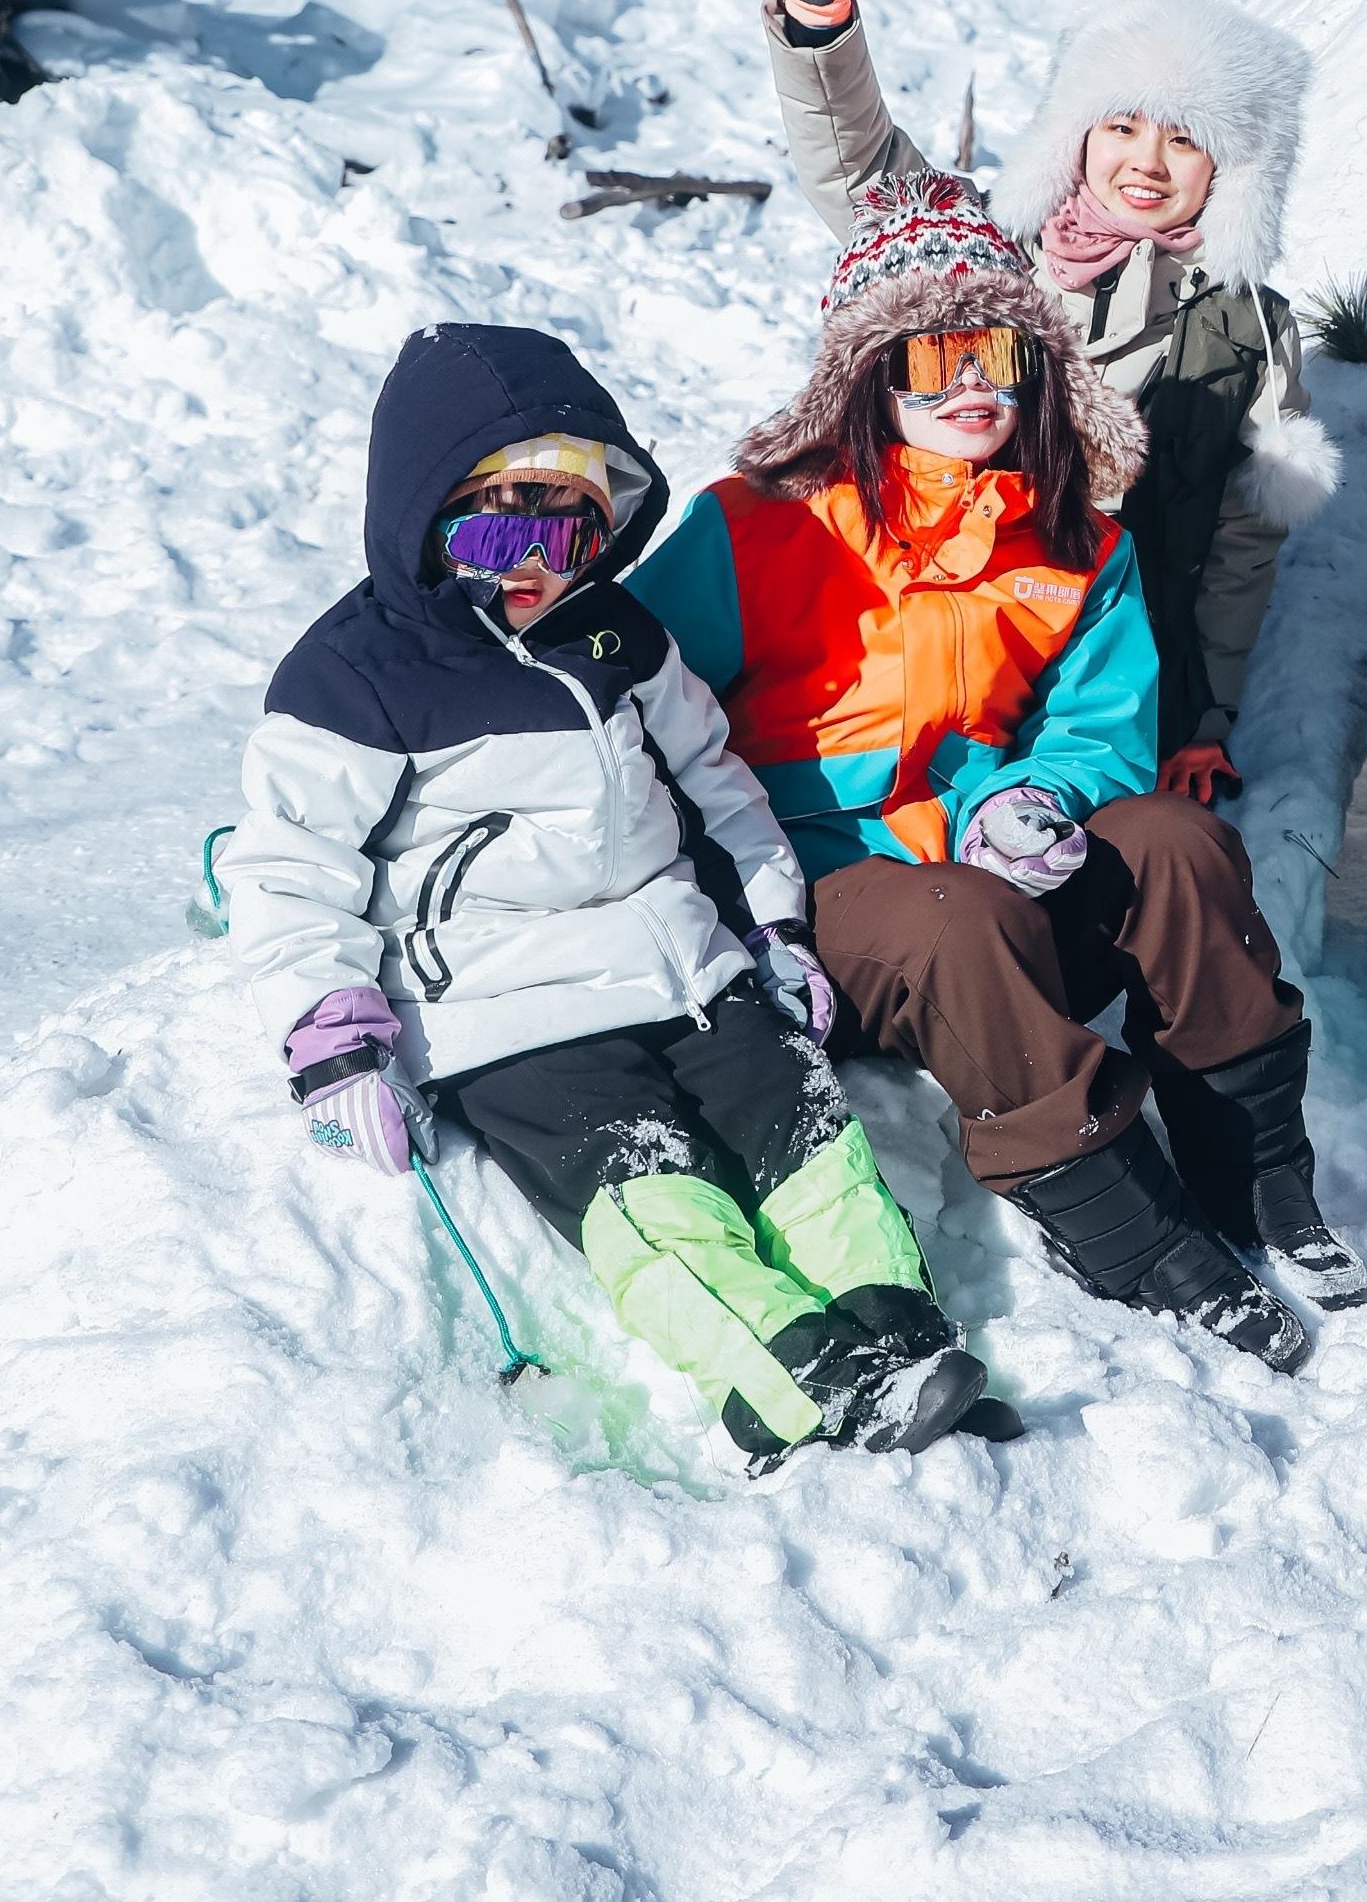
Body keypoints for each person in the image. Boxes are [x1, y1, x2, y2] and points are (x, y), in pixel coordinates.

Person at [231, 324, 996, 1465]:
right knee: (647, 1178)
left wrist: (771, 926)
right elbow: (290, 867)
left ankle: (902, 1337)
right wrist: (331, 1036)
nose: (537, 562)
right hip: (505, 999)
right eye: (501, 525)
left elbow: (719, 787)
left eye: (576, 525)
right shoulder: (353, 675)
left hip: (681, 960)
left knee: (805, 1130)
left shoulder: (618, 634)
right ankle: (789, 1376)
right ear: (424, 514)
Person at [627, 173, 1354, 1375]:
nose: (972, 383)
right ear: (865, 375)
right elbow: (642, 710)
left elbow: (1100, 725)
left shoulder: (1075, 534)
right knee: (948, 912)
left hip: (1000, 879)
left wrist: (1035, 797)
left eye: (999, 352)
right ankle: (1126, 1223)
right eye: (931, 357)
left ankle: (1257, 1168)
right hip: (826, 911)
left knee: (1177, 843)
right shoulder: (759, 528)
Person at [758, 0, 1335, 802]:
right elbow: (859, 168)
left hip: (1105, 697)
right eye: (1122, 125)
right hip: (924, 660)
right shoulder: (977, 248)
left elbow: (1241, 550)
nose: (1145, 163)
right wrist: (822, 17)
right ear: (1078, 130)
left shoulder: (1249, 331)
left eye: (1184, 139)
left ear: (1234, 166)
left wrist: (1207, 717)